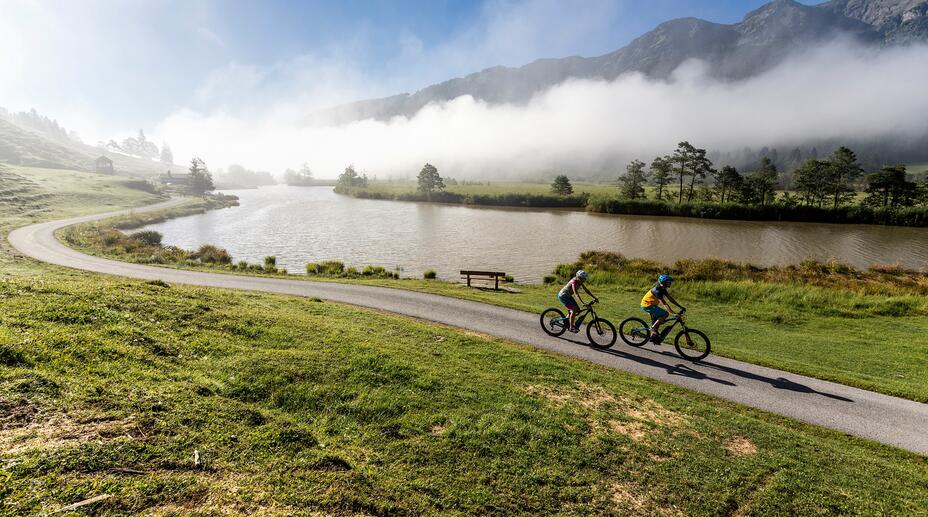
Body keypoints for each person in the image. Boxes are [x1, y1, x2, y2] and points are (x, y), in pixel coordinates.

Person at [640, 274, 684, 341]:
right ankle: (653, 328)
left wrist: (680, 306)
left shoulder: (663, 289)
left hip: (652, 305)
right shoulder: (657, 291)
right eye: (668, 282)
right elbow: (664, 303)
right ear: (663, 282)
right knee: (665, 314)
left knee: (659, 320)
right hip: (647, 305)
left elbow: (670, 299)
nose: (670, 283)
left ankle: (654, 336)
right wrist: (673, 313)